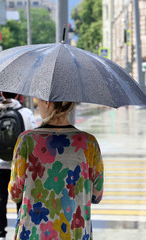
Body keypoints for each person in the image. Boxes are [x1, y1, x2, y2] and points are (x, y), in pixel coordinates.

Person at [8, 100, 104, 240]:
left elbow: (15, 193)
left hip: (33, 233)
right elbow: (97, 195)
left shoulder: (26, 140)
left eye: (37, 101)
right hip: (75, 233)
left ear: (47, 102)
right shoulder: (89, 143)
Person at [0, 92, 37, 240]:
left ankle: (1, 235)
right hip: (21, 165)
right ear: (18, 94)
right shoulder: (26, 113)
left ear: (1, 93)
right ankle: (21, 231)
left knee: (0, 200)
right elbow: (34, 137)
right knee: (21, 200)